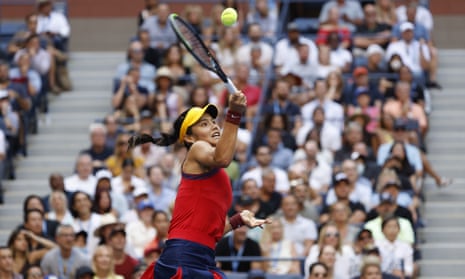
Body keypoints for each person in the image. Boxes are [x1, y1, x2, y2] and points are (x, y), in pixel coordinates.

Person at [128, 91, 270, 278]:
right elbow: (223, 157)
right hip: (185, 256)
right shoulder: (197, 149)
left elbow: (211, 234)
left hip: (202, 256)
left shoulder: (216, 171)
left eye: (213, 121)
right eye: (204, 124)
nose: (214, 126)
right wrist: (234, 113)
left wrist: (238, 220)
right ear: (189, 138)